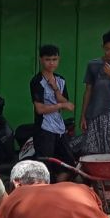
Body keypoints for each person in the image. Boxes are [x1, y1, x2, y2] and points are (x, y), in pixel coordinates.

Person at [30, 44, 76, 182]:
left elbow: (66, 102)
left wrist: (56, 89)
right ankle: (46, 194)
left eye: (55, 59)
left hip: (59, 128)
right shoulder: (36, 81)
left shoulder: (60, 80)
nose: (51, 63)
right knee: (44, 167)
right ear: (41, 60)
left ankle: (56, 189)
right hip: (44, 129)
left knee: (70, 164)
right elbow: (40, 109)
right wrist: (61, 105)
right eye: (48, 59)